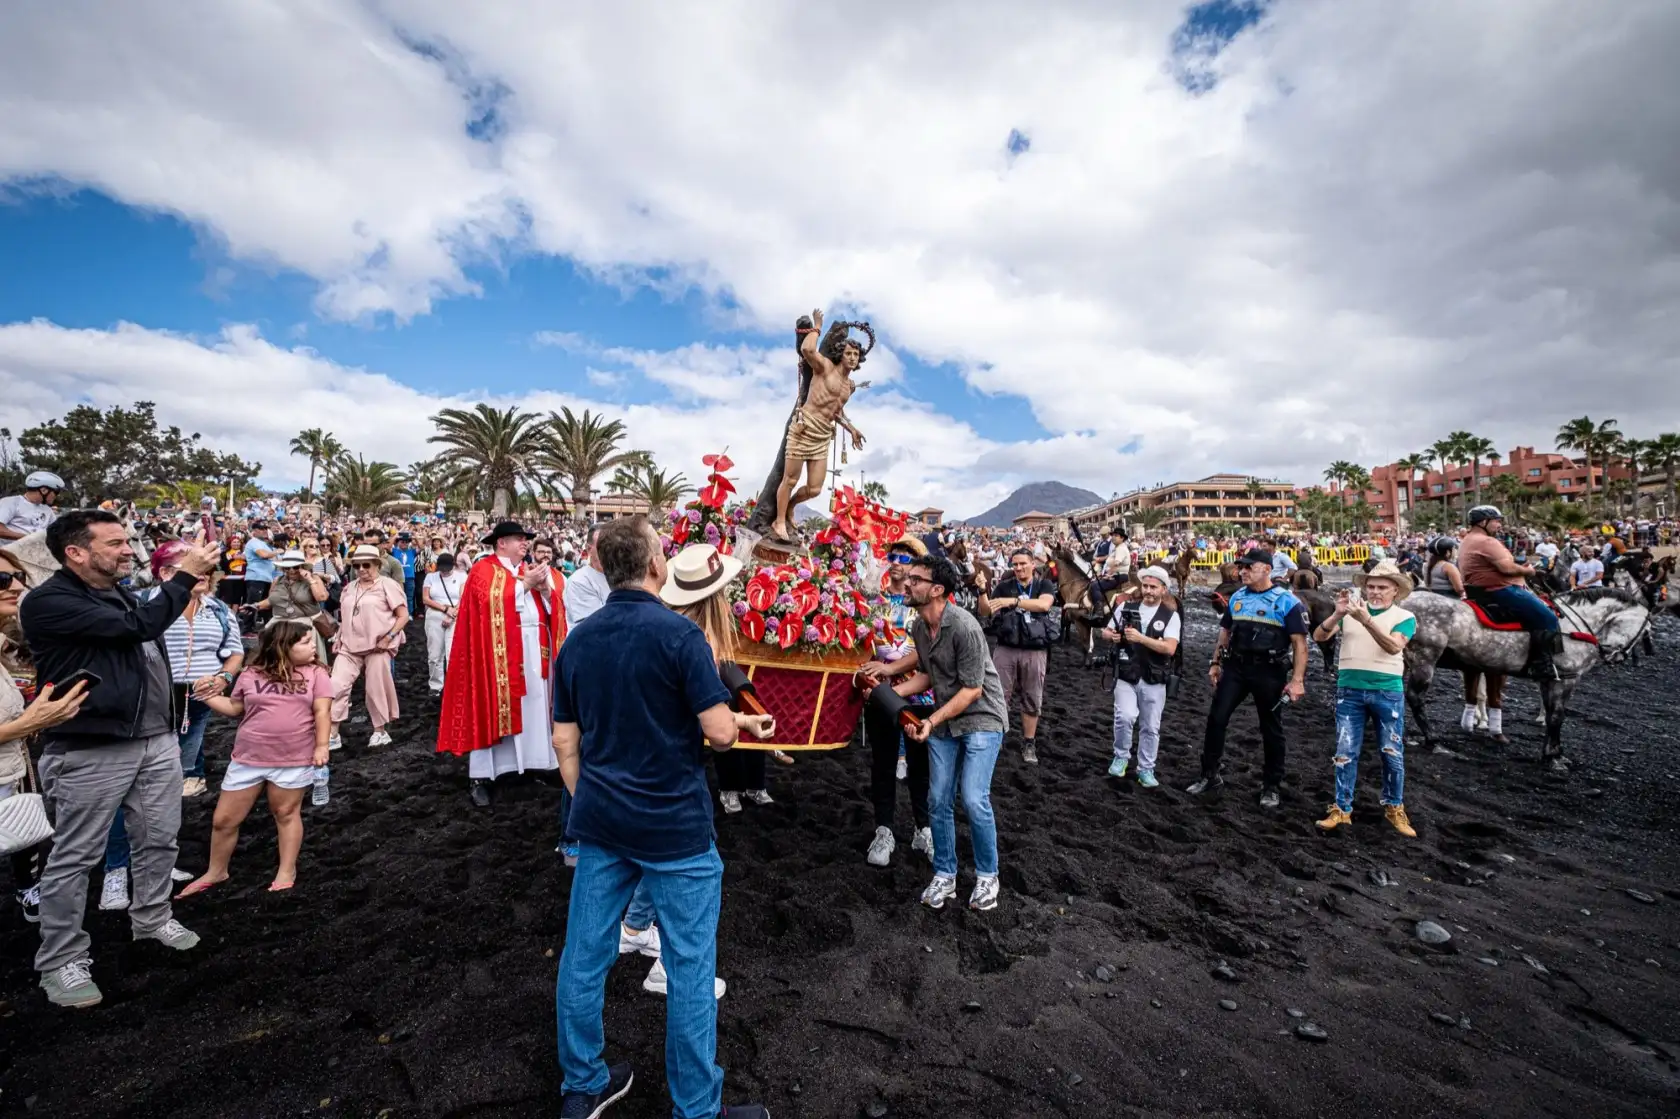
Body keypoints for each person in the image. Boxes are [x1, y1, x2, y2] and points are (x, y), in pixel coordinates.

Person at [551, 518, 769, 1119]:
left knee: (584, 956)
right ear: (655, 566)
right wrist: (734, 724)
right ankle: (696, 1108)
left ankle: (583, 1084)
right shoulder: (681, 638)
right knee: (691, 968)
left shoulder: (577, 640)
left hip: (602, 824)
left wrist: (593, 798)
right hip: (674, 828)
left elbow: (564, 742)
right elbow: (718, 733)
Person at [19, 510, 218, 1008]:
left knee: (159, 839)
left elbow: (136, 656)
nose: (129, 549)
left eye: (128, 541)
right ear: (76, 552)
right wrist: (188, 571)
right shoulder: (50, 602)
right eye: (116, 543)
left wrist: (185, 697)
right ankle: (61, 959)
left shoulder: (120, 593)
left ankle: (151, 919)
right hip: (90, 749)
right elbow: (140, 627)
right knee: (74, 858)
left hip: (154, 741)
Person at [175, 620, 332, 898]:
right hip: (248, 758)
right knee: (223, 819)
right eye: (306, 642)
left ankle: (286, 870)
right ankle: (216, 870)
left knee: (285, 813)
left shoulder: (317, 673)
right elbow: (236, 707)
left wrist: (321, 745)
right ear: (283, 646)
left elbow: (322, 712)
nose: (313, 646)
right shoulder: (250, 674)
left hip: (293, 757)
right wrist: (207, 696)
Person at [891, 555, 1009, 912]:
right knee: (938, 799)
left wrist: (932, 720)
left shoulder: (964, 626)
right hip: (945, 719)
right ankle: (945, 873)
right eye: (908, 577)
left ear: (937, 590)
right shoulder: (918, 627)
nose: (907, 583)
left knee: (974, 798)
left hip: (982, 719)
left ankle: (988, 876)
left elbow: (973, 690)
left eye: (916, 578)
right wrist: (888, 685)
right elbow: (928, 673)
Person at [435, 522, 566, 807]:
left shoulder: (526, 570)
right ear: (501, 543)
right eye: (519, 539)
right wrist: (525, 586)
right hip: (496, 654)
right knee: (491, 706)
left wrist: (544, 591)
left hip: (534, 649)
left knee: (535, 705)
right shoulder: (484, 569)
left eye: (525, 539)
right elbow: (488, 602)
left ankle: (537, 763)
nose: (524, 543)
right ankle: (483, 775)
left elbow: (553, 606)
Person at [0, 549, 89, 924]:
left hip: (12, 767)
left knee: (22, 829)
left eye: (18, 577)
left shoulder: (5, 642)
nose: (16, 586)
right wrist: (27, 723)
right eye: (3, 580)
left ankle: (28, 886)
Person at [1189, 549, 1309, 808]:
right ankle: (1210, 775)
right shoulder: (1237, 599)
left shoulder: (1286, 601)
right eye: (1240, 567)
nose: (1241, 571)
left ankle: (1271, 786)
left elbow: (1300, 644)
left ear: (1266, 569)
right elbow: (1225, 632)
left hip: (1269, 672)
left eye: (1248, 567)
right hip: (1236, 668)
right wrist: (1215, 662)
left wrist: (1297, 680)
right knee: (1216, 719)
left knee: (1270, 728)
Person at [1312, 561, 1417, 837]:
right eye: (1371, 587)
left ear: (1395, 591)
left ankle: (1395, 807)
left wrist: (1365, 620)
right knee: (1345, 752)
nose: (1375, 592)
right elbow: (1319, 636)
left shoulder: (1404, 617)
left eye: (1382, 587)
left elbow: (1394, 646)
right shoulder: (1350, 613)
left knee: (1391, 752)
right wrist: (1337, 614)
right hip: (1350, 690)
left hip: (1386, 689)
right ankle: (1341, 808)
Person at [853, 537, 935, 868]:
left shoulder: (924, 602)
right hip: (881, 695)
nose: (897, 561)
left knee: (922, 768)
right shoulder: (874, 599)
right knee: (884, 764)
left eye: (905, 557)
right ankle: (884, 830)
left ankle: (922, 828)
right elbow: (864, 641)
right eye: (893, 556)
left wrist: (889, 668)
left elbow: (926, 652)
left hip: (921, 695)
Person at [143, 540, 244, 798]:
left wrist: (224, 677)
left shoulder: (219, 610)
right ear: (165, 573)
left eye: (205, 570)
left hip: (202, 689)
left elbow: (235, 651)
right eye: (191, 568)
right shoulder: (144, 605)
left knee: (191, 732)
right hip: (153, 690)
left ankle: (191, 774)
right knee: (156, 738)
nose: (202, 575)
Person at [771, 308, 867, 541]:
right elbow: (807, 349)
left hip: (823, 435)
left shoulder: (849, 386)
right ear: (840, 354)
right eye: (849, 353)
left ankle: (791, 506)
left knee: (814, 488)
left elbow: (836, 410)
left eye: (856, 354)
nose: (852, 357)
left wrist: (851, 429)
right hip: (804, 428)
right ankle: (779, 520)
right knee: (790, 479)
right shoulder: (824, 368)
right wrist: (817, 325)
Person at [1098, 566, 1180, 786]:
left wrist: (1140, 638)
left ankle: (1146, 768)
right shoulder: (1125, 606)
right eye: (1145, 586)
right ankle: (1121, 757)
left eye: (1153, 587)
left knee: (1151, 726)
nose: (1148, 591)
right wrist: (1112, 636)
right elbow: (1105, 631)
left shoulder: (1171, 616)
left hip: (1154, 676)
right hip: (1126, 673)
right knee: (1124, 717)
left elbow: (1170, 648)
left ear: (1163, 590)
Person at [1458, 506, 1560, 680]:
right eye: (1497, 521)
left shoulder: (1468, 539)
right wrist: (1529, 571)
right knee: (1549, 618)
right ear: (1483, 522)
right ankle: (1541, 664)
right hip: (1500, 591)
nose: (1499, 525)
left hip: (1478, 591)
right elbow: (1507, 569)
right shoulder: (1487, 541)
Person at [977, 549, 1057, 765]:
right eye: (1015, 565)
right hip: (1006, 647)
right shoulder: (1003, 586)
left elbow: (1044, 604)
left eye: (1023, 563)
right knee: (997, 694)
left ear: (1033, 564)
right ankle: (996, 738)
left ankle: (1029, 743)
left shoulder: (1043, 585)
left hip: (1035, 649)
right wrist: (982, 591)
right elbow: (986, 612)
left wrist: (1011, 602)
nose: (1019, 568)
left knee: (1032, 697)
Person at [329, 545, 408, 750]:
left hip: (377, 646)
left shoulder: (387, 585)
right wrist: (339, 635)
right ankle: (332, 733)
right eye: (357, 565)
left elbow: (403, 616)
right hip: (349, 645)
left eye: (366, 565)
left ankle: (379, 731)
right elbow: (345, 614)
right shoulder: (350, 587)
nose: (361, 569)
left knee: (376, 688)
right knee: (336, 685)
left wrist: (389, 637)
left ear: (377, 565)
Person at [253, 550, 331, 661]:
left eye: (295, 567)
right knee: (276, 660)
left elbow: (322, 597)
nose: (291, 571)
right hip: (279, 625)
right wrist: (255, 606)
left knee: (306, 661)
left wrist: (309, 579)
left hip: (303, 626)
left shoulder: (314, 578)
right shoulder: (277, 580)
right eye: (287, 568)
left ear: (302, 566)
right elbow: (271, 601)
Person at [421, 552, 467, 694]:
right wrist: (445, 609)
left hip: (455, 614)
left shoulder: (461, 577)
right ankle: (435, 685)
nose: (445, 572)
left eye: (448, 568)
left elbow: (463, 598)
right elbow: (426, 599)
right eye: (442, 569)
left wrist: (452, 613)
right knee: (435, 654)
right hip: (436, 614)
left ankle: (454, 685)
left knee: (452, 652)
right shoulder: (431, 577)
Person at [0, 471, 64, 541]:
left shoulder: (48, 510)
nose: (58, 496)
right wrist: (29, 538)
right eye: (56, 492)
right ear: (44, 490)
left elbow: (57, 531)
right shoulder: (11, 503)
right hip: (9, 550)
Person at [242, 522, 279, 621]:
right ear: (254, 530)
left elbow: (274, 560)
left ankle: (267, 629)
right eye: (261, 529)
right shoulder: (253, 542)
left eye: (265, 528)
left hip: (267, 578)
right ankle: (246, 629)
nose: (264, 531)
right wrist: (277, 551)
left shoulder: (264, 544)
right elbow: (263, 555)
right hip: (256, 577)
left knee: (266, 605)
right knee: (252, 605)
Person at [392, 532, 420, 614]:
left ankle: (409, 614)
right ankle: (399, 614)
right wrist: (396, 536)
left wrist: (415, 537)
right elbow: (388, 546)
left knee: (409, 597)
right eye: (402, 541)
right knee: (397, 597)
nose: (404, 543)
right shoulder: (394, 551)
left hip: (409, 578)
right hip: (397, 578)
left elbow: (421, 547)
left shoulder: (412, 551)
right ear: (398, 542)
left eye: (406, 542)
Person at [218, 531, 247, 609]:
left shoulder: (244, 553)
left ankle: (234, 616)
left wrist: (243, 558)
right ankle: (227, 615)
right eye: (234, 542)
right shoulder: (224, 553)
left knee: (236, 598)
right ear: (230, 543)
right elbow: (223, 565)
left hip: (240, 579)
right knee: (228, 598)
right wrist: (232, 558)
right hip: (228, 578)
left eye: (238, 542)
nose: (236, 544)